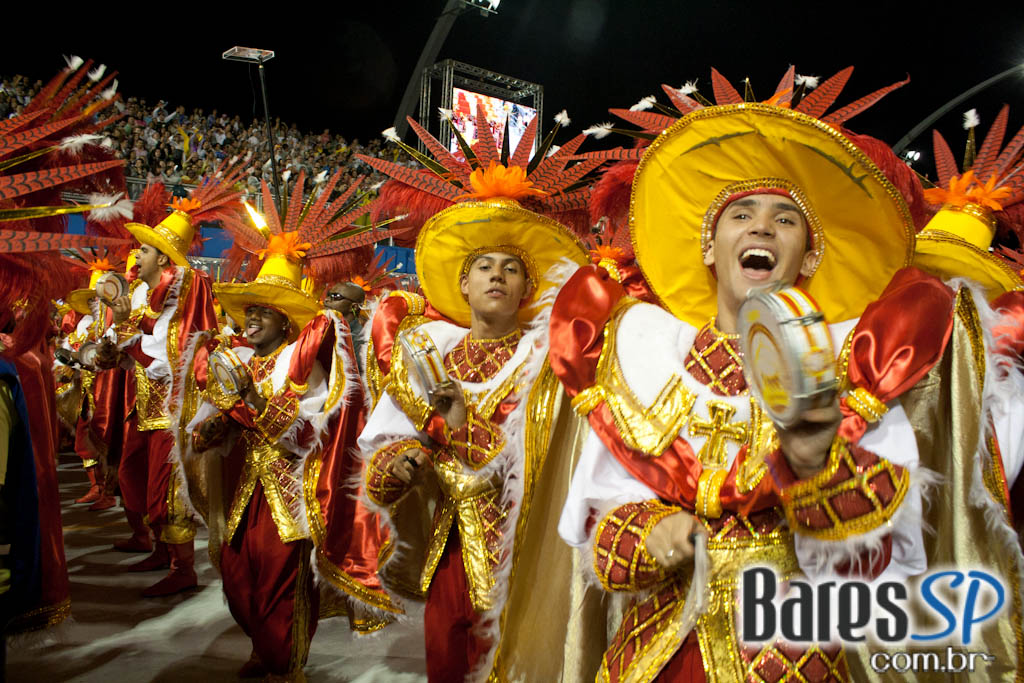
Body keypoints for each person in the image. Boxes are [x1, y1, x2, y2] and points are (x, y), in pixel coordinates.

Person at [549, 68, 955, 682]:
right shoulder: (646, 358)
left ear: (810, 256)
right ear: (711, 247)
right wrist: (650, 529)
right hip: (658, 649)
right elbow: (602, 507)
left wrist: (817, 471)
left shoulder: (849, 369)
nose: (762, 226)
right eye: (741, 214)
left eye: (786, 220)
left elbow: (882, 547)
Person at [102, 167, 241, 597]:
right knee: (133, 476)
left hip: (169, 413)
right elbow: (139, 350)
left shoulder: (181, 296)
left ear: (163, 260)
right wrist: (117, 347)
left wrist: (127, 345)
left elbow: (169, 357)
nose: (134, 257)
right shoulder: (143, 298)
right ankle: (160, 549)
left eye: (143, 251)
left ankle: (184, 568)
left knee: (169, 491)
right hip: (142, 408)